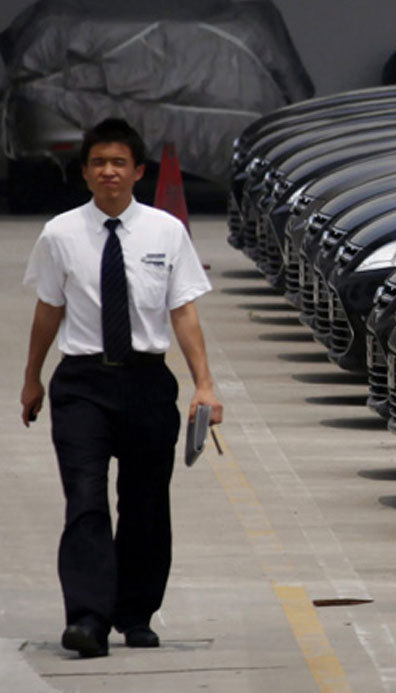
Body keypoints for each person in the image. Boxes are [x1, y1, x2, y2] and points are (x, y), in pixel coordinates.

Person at [19, 118, 224, 658]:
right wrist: (31, 378)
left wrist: (204, 384)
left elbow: (183, 311)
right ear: (85, 172)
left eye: (119, 163)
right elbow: (48, 308)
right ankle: (87, 617)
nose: (108, 171)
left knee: (145, 503)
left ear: (137, 171)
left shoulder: (165, 232)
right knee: (84, 499)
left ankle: (136, 612)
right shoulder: (60, 233)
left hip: (146, 382)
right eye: (98, 163)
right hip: (82, 382)